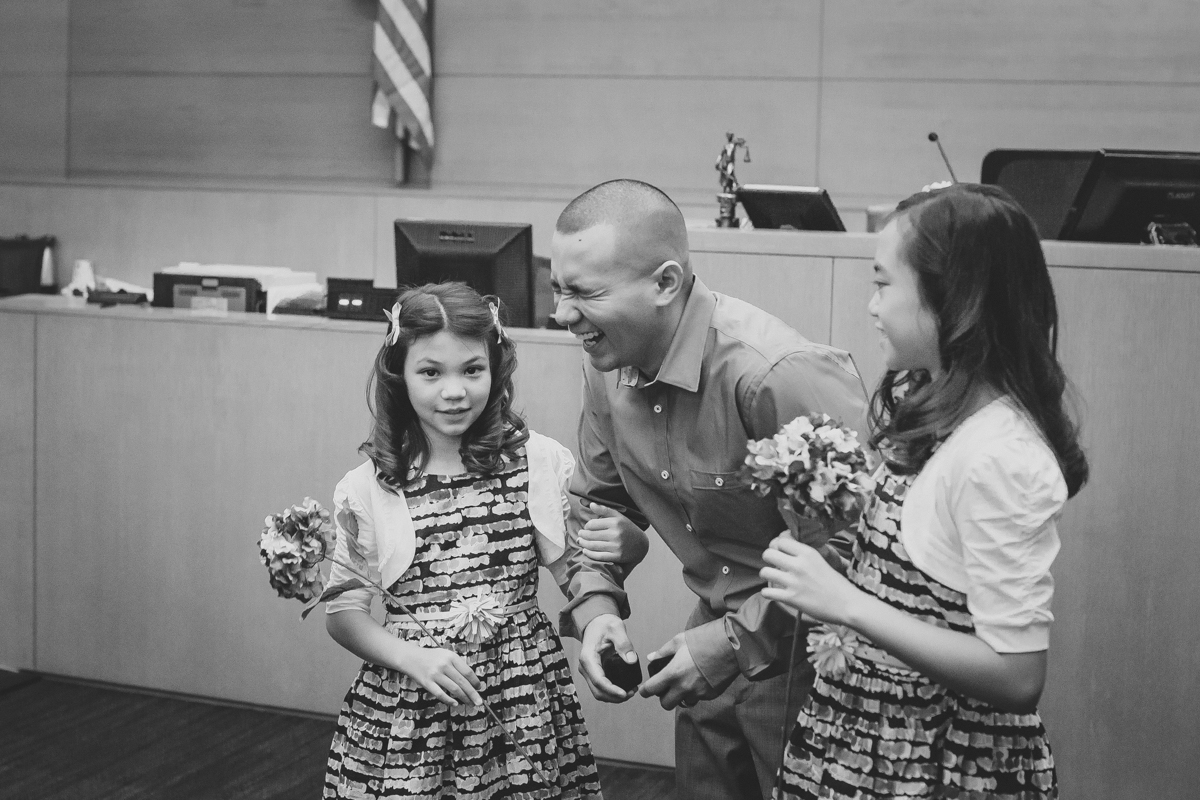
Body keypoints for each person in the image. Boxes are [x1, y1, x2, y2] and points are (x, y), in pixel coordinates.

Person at [760, 183, 1089, 798]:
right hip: (870, 738)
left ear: (952, 298)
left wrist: (845, 602)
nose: (871, 307)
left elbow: (1017, 675)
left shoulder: (999, 456)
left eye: (884, 284)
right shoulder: (934, 405)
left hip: (935, 760)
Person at [550, 179, 869, 800]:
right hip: (709, 641)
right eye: (558, 288)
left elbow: (858, 545)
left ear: (665, 283)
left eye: (585, 293)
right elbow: (595, 505)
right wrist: (597, 612)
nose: (562, 314)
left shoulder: (775, 373)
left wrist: (732, 644)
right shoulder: (606, 367)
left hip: (816, 653)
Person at [322, 282, 647, 799]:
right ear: (398, 376)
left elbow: (573, 569)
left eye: (472, 370)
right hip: (415, 710)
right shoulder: (369, 487)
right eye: (430, 372)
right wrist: (411, 657)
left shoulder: (537, 462)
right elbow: (343, 613)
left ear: (495, 372)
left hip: (521, 704)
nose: (454, 391)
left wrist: (599, 615)